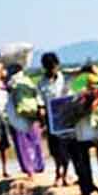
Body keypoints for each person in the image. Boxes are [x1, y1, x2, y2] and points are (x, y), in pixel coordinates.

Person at [37, 52, 74, 186]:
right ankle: (58, 171)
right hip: (51, 118)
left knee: (66, 147)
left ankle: (65, 174)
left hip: (65, 116)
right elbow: (40, 101)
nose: (52, 70)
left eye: (54, 67)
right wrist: (41, 117)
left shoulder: (64, 79)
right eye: (49, 68)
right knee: (55, 148)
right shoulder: (42, 83)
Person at [6, 63, 45, 181]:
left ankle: (29, 169)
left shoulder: (11, 83)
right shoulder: (28, 81)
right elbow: (37, 96)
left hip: (17, 117)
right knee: (35, 141)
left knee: (22, 144)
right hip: (32, 115)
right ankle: (38, 166)